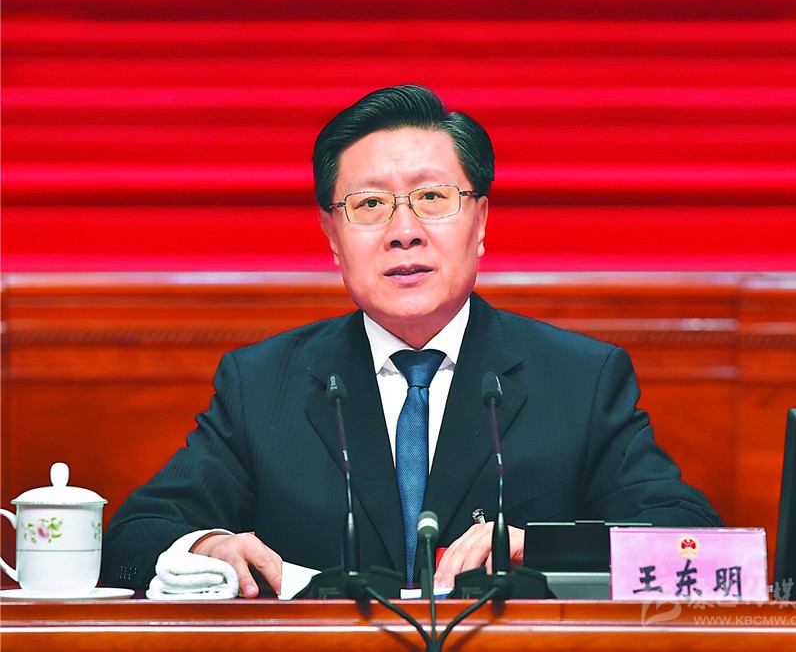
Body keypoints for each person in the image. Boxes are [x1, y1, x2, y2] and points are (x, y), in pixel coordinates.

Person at [101, 84, 721, 598]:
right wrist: (207, 548)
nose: (404, 231)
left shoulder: (580, 378)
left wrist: (536, 544)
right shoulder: (262, 385)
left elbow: (694, 543)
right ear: (332, 237)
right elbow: (130, 544)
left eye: (432, 198)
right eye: (369, 204)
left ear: (481, 221)